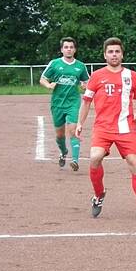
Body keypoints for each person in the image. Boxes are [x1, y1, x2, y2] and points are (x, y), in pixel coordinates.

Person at [75, 37, 136, 221]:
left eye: (117, 51)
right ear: (105, 55)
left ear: (122, 54)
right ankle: (99, 194)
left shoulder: (132, 76)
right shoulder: (96, 76)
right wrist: (79, 123)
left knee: (134, 163)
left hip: (126, 128)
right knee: (94, 158)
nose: (114, 54)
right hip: (103, 128)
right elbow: (86, 103)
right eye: (110, 52)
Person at [40, 37, 90, 171]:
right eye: (66, 47)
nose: (69, 49)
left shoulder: (80, 66)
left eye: (71, 47)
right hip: (57, 104)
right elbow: (43, 79)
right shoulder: (55, 63)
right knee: (60, 135)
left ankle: (75, 160)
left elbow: (86, 82)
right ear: (62, 49)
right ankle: (63, 152)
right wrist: (49, 85)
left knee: (73, 131)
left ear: (75, 49)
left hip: (73, 103)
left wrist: (85, 86)